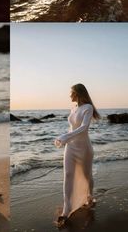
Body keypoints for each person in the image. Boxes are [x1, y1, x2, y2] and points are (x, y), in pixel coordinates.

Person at [54, 84, 100, 227]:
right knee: (68, 174)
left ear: (78, 93)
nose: (70, 95)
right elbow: (72, 127)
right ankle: (66, 208)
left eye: (71, 93)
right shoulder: (73, 108)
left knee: (87, 176)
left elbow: (84, 127)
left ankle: (89, 196)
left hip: (84, 148)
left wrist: (65, 136)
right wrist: (65, 139)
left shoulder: (88, 108)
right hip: (71, 147)